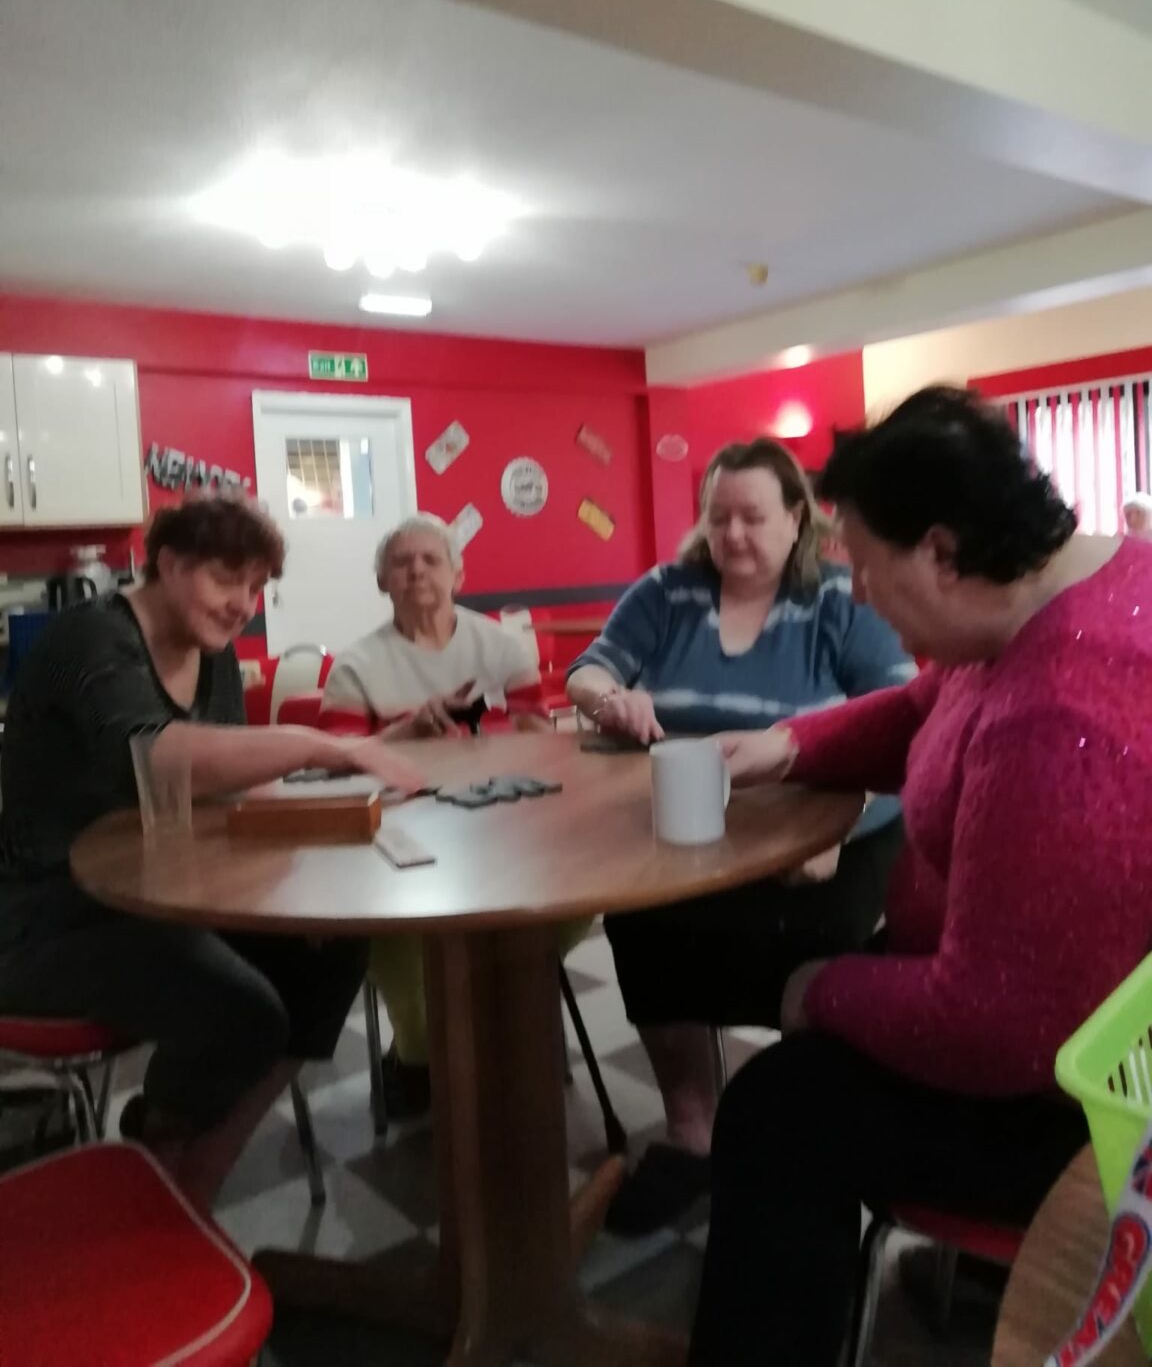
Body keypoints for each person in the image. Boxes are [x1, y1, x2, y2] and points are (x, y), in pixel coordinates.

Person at [690, 387, 1152, 1366]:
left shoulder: (1061, 715)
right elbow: (923, 708)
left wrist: (823, 989)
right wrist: (790, 745)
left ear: (940, 551)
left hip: (1077, 1110)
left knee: (775, 1106)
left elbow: (1000, 1026)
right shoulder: (1051, 594)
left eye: (865, 567)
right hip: (1042, 1001)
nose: (856, 594)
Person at [0, 494, 422, 1212]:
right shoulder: (89, 638)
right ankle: (162, 1147)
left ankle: (196, 1171)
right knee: (242, 1010)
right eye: (228, 579)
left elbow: (222, 788)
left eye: (256, 588)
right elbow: (156, 756)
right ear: (168, 564)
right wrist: (321, 745)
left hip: (166, 896)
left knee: (333, 949)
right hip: (46, 913)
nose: (243, 606)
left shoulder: (211, 656)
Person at [566, 438, 913, 1233]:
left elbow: (903, 730)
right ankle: (693, 1132)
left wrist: (842, 826)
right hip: (691, 827)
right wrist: (609, 699)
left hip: (827, 833)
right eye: (718, 517)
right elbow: (589, 670)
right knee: (647, 928)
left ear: (798, 520)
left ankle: (797, 1142)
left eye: (753, 517)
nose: (732, 534)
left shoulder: (840, 600)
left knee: (810, 953)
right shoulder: (668, 591)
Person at [320, 513, 584, 1118]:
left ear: (458, 575)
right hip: (403, 836)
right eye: (401, 562)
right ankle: (421, 1052)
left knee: (579, 889)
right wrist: (408, 730)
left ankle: (501, 1011)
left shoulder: (501, 647)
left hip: (506, 825)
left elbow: (538, 737)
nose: (416, 571)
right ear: (382, 581)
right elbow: (337, 765)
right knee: (387, 927)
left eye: (430, 559)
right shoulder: (357, 665)